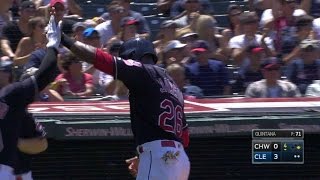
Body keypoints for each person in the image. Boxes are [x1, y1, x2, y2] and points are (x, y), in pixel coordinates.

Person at [58, 23, 190, 179]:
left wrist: (63, 39)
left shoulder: (142, 71)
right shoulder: (171, 84)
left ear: (134, 56)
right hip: (180, 159)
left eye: (126, 59)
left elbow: (102, 60)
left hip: (159, 157)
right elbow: (185, 137)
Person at [0, 14, 61, 179]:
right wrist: (53, 46)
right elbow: (44, 75)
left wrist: (15, 142)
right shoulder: (10, 95)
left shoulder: (10, 97)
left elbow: (41, 143)